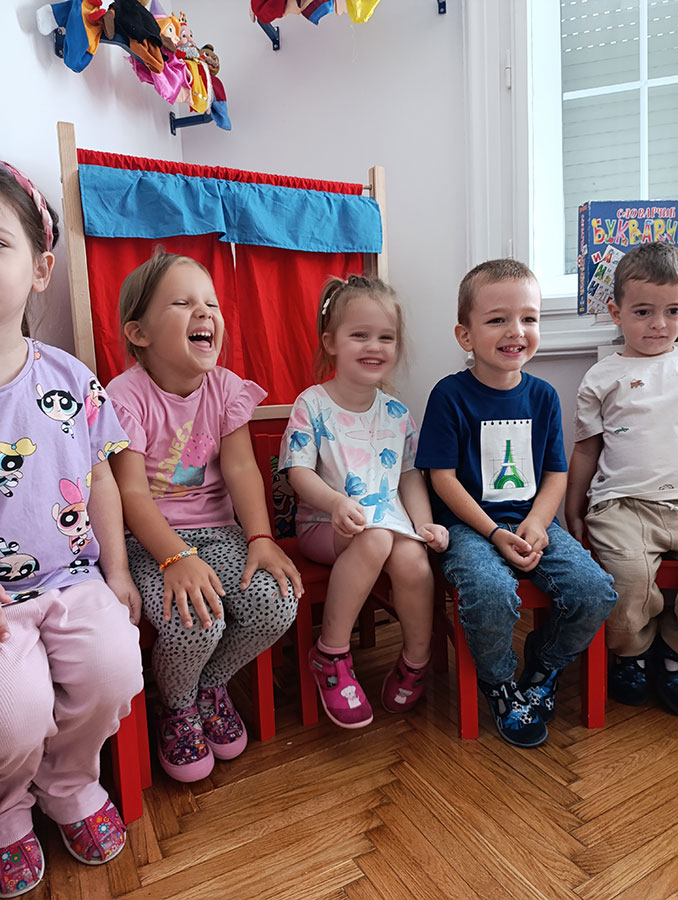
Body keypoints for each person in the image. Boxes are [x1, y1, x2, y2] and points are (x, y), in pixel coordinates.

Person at [0, 162, 143, 896]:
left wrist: (117, 573)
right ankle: (7, 808)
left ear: (39, 271)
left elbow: (101, 479)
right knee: (13, 711)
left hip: (72, 575)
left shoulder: (70, 378)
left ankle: (70, 785)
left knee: (115, 668)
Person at [107, 250, 303, 784]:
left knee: (276, 603)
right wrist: (175, 557)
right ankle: (176, 705)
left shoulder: (226, 388)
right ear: (139, 333)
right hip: (152, 542)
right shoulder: (125, 397)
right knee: (195, 619)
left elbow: (240, 468)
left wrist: (260, 537)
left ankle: (208, 686)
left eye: (211, 303)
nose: (205, 312)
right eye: (182, 303)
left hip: (220, 533)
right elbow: (130, 492)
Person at [416, 259, 616, 748]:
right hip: (469, 527)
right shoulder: (449, 395)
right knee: (489, 592)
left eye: (529, 318)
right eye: (497, 319)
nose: (516, 331)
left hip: (533, 522)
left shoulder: (543, 396)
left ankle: (542, 668)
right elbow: (441, 479)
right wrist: (492, 532)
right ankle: (500, 682)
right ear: (465, 336)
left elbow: (555, 473)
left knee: (595, 591)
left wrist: (539, 523)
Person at [279, 274, 448, 729]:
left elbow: (409, 475)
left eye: (385, 337)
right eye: (360, 335)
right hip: (325, 525)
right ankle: (330, 654)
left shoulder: (396, 413)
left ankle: (415, 661)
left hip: (387, 524)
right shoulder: (312, 404)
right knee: (375, 540)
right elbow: (297, 472)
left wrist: (424, 524)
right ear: (330, 342)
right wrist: (335, 504)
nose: (374, 346)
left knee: (413, 558)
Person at [566, 241, 678, 714]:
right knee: (629, 579)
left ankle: (671, 652)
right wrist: (573, 507)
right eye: (644, 311)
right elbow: (586, 448)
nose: (659, 324)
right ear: (616, 313)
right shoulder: (602, 377)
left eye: (673, 311)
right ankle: (631, 653)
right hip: (621, 505)